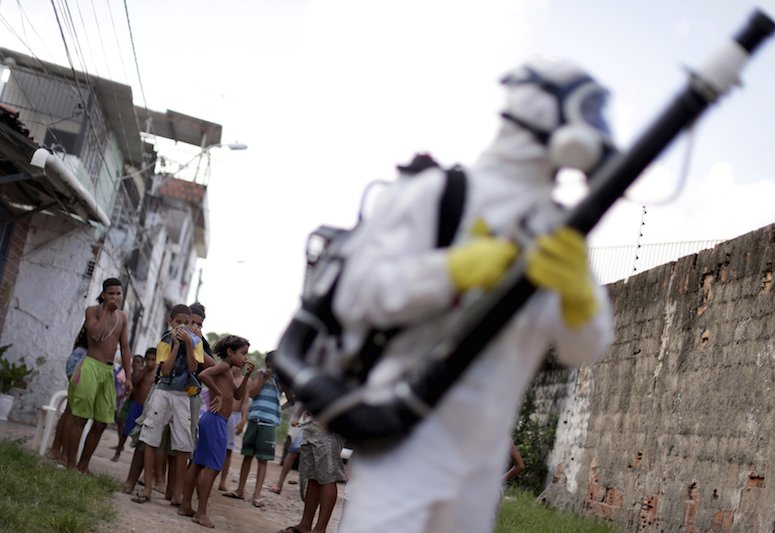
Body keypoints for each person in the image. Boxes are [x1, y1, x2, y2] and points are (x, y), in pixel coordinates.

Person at [334, 58, 615, 532]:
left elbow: (584, 347)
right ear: (539, 107)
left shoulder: (559, 230)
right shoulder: (438, 193)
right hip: (403, 438)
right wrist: (451, 271)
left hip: (480, 464)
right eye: (583, 109)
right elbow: (355, 297)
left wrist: (578, 298)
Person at [178, 335, 255, 529]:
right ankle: (201, 512)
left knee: (198, 464)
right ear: (230, 352)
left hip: (214, 421)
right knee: (212, 467)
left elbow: (237, 395)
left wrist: (246, 376)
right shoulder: (223, 367)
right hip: (215, 421)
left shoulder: (228, 371)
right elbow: (204, 376)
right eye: (243, 353)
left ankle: (186, 505)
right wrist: (218, 394)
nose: (245, 358)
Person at [131, 303, 204, 505]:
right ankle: (147, 489)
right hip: (163, 392)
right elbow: (165, 371)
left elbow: (192, 367)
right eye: (178, 322)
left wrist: (188, 344)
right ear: (170, 322)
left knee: (183, 444)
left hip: (183, 396)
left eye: (186, 323)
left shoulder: (196, 342)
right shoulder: (165, 340)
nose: (182, 326)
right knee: (151, 438)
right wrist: (176, 347)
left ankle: (178, 494)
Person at [65, 277, 133, 473]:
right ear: (103, 295)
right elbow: (94, 335)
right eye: (110, 293)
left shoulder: (123, 317)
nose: (115, 297)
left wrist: (128, 377)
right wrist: (107, 312)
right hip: (89, 367)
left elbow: (126, 348)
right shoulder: (92, 311)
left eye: (118, 293)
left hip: (108, 372)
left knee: (102, 421)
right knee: (80, 418)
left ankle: (83, 465)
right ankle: (70, 465)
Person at [223, 350, 294, 507]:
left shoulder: (282, 379)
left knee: (263, 459)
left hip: (269, 422)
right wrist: (263, 379)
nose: (272, 367)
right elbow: (252, 394)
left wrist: (278, 408)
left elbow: (291, 400)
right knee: (247, 455)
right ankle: (240, 490)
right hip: (255, 419)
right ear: (267, 363)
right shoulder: (260, 373)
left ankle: (257, 494)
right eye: (270, 364)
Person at [278, 414, 345, 533]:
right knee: (312, 476)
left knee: (328, 478)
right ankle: (305, 525)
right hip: (313, 424)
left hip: (330, 424)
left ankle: (320, 529)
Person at [46, 323, 88, 464]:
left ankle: (56, 450)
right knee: (73, 411)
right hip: (84, 359)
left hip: (77, 354)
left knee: (70, 410)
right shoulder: (100, 314)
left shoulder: (93, 314)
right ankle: (63, 454)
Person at [112, 351, 155, 462]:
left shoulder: (156, 374)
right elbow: (134, 381)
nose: (151, 362)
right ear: (145, 360)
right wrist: (145, 369)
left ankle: (137, 460)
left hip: (147, 409)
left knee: (143, 436)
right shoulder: (141, 371)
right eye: (149, 359)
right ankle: (118, 452)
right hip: (135, 405)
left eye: (153, 360)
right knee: (125, 430)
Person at [216, 368, 248, 492]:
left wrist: (243, 419)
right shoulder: (224, 376)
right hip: (221, 412)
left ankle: (223, 480)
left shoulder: (245, 381)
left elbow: (245, 402)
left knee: (228, 450)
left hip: (235, 415)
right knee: (215, 446)